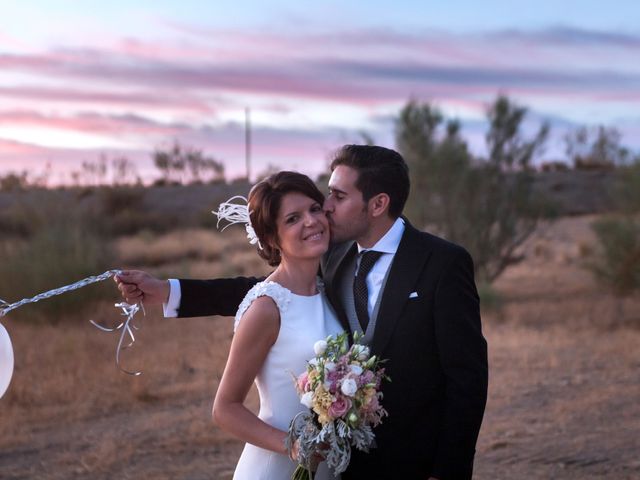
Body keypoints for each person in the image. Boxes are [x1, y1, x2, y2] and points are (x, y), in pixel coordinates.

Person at [117, 145, 488, 479]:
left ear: (377, 205)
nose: (324, 209)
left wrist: (448, 472)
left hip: (416, 462)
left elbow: (467, 380)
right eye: (325, 195)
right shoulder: (336, 254)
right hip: (342, 466)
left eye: (337, 197)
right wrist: (169, 291)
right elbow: (270, 293)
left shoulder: (442, 263)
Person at [209, 171, 343, 479]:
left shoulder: (327, 291)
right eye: (293, 219)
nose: (311, 221)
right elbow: (225, 408)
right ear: (271, 237)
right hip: (276, 468)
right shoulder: (267, 307)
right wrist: (293, 445)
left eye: (313, 209)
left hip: (328, 468)